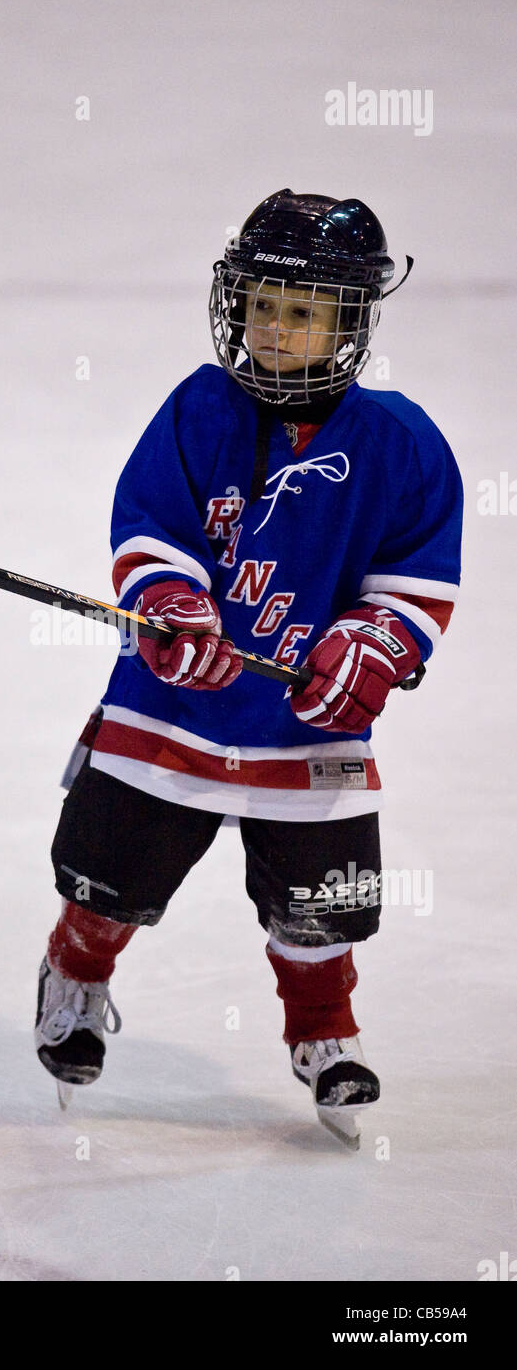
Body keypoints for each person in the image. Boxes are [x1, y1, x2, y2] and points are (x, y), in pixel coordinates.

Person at [34, 189, 463, 1139]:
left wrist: (371, 647)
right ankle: (75, 975)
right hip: (164, 712)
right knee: (109, 883)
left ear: (350, 321)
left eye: (302, 311)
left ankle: (327, 1032)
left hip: (307, 731)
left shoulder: (401, 444)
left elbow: (416, 583)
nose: (274, 327)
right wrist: (174, 605)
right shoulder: (197, 410)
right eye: (263, 302)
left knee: (323, 908)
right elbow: (149, 528)